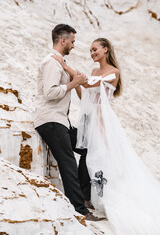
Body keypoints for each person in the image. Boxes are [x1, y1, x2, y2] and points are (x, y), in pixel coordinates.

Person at [52, 37, 160, 235]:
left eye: (95, 50)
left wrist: (65, 65)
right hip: (89, 122)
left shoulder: (113, 73)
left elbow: (92, 83)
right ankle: (84, 196)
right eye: (90, 51)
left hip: (103, 124)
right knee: (87, 155)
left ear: (105, 49)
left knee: (96, 158)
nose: (92, 53)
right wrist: (76, 83)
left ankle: (92, 197)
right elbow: (86, 96)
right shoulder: (94, 71)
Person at [34, 24, 105, 221]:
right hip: (50, 120)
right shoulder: (51, 62)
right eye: (72, 41)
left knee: (87, 147)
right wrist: (73, 84)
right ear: (63, 40)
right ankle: (80, 210)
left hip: (61, 121)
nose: (74, 45)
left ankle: (83, 196)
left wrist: (74, 78)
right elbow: (50, 93)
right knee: (68, 162)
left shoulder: (59, 62)